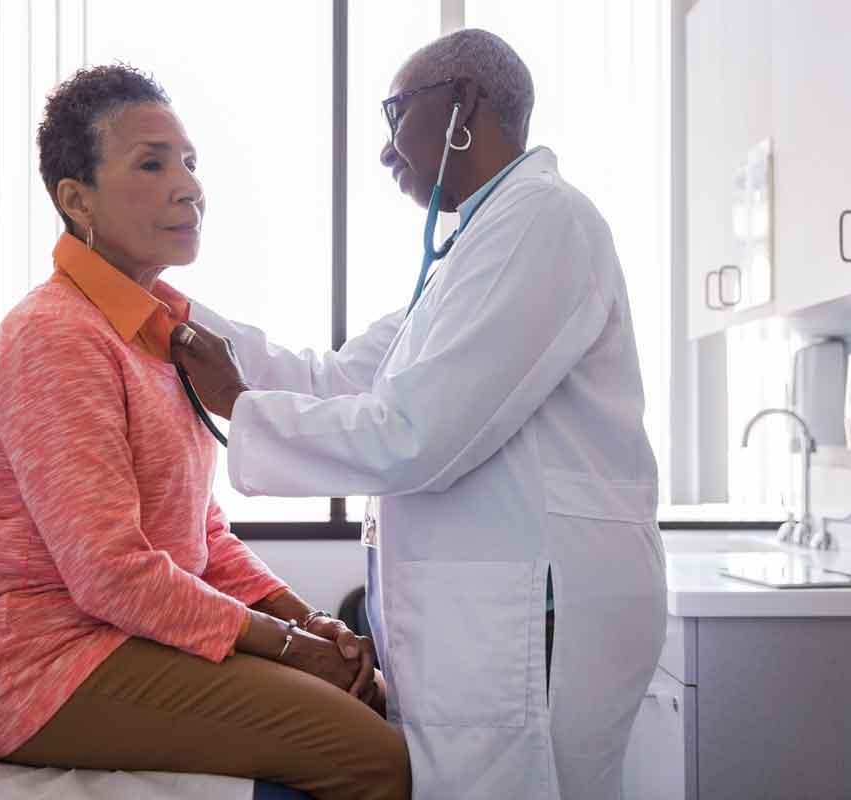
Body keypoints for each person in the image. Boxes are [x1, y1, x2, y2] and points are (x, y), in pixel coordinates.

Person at [170, 29, 667, 800]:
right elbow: (335, 377)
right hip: (492, 613)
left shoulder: (543, 221)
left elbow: (420, 433)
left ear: (463, 103)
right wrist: (166, 310)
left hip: (535, 614)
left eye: (395, 113)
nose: (384, 148)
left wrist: (239, 405)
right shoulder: (478, 245)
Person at [0, 64, 410, 800]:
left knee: (366, 702)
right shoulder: (54, 337)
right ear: (75, 198)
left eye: (189, 162)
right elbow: (112, 573)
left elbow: (201, 533)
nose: (187, 186)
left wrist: (307, 621)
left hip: (120, 636)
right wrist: (290, 649)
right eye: (151, 163)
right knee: (376, 759)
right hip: (34, 664)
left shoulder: (164, 330)